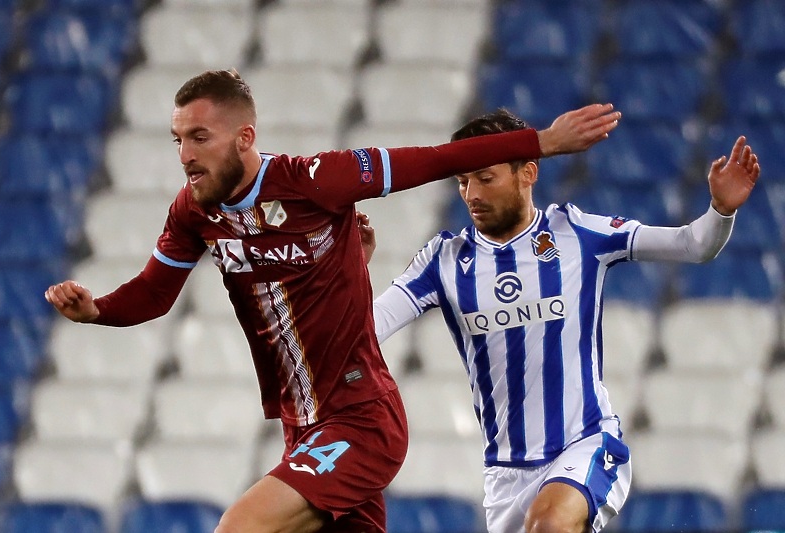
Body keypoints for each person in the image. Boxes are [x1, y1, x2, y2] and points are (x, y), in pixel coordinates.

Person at [44, 69, 622, 533]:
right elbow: (153, 291)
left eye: (199, 138)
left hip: (360, 420)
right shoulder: (194, 211)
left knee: (240, 529)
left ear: (244, 138)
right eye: (177, 140)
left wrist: (540, 142)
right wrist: (99, 310)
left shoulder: (314, 180)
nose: (185, 155)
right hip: (303, 425)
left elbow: (428, 161)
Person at [363, 108, 760, 533]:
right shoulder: (442, 260)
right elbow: (367, 328)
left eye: (485, 178)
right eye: (462, 181)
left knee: (550, 523)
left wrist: (720, 210)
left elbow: (692, 244)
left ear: (527, 173)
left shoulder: (577, 233)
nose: (471, 193)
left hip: (585, 442)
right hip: (505, 473)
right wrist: (352, 272)